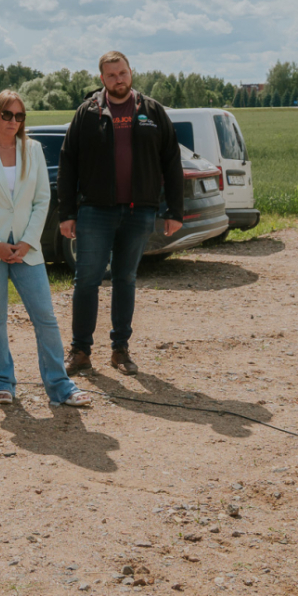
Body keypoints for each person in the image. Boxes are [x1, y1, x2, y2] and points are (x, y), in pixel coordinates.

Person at [56, 50, 184, 376]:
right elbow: (68, 162)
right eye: (111, 75)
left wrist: (174, 210)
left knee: (125, 279)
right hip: (95, 212)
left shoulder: (152, 111)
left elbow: (171, 161)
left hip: (139, 212)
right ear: (102, 79)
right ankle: (80, 350)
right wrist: (67, 212)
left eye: (123, 73)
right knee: (87, 280)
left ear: (131, 72)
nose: (119, 80)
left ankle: (120, 350)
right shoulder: (88, 112)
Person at [0, 92, 91, 408]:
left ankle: (60, 386)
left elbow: (42, 200)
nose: (13, 121)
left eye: (19, 116)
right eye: (7, 115)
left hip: (26, 249)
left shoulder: (32, 150)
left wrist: (28, 242)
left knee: (45, 316)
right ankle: (2, 383)